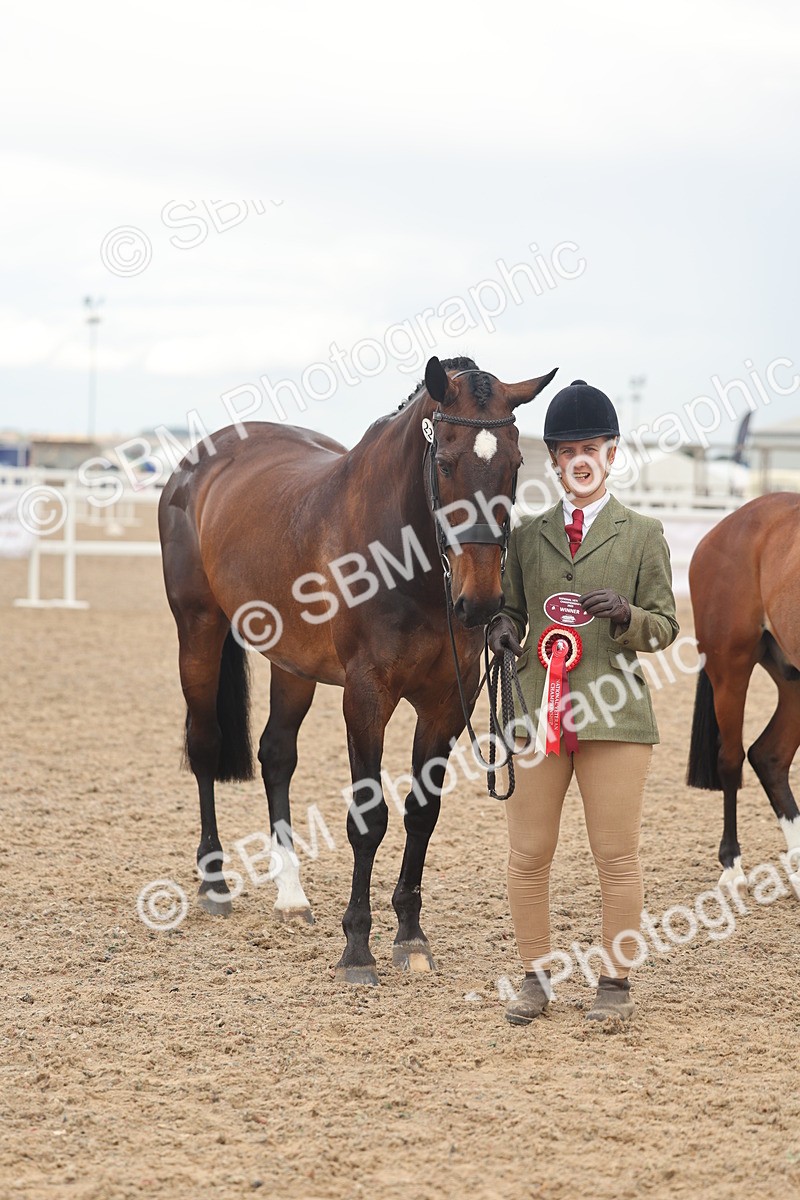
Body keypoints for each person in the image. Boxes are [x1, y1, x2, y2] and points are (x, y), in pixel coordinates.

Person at [489, 379, 678, 1026]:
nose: (579, 459)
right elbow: (509, 612)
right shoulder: (524, 538)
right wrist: (504, 629)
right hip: (537, 711)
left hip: (615, 715)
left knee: (616, 856)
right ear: (555, 459)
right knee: (528, 854)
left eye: (591, 447)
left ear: (613, 452)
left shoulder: (643, 534)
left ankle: (614, 981)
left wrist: (627, 614)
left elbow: (665, 627)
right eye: (567, 449)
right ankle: (534, 978)